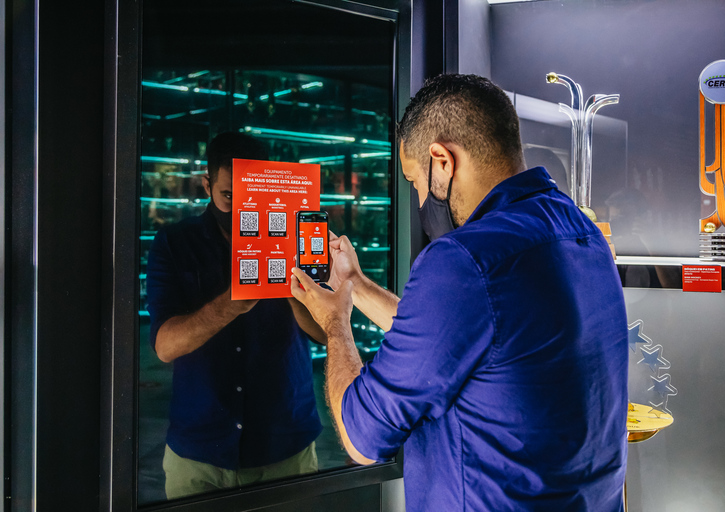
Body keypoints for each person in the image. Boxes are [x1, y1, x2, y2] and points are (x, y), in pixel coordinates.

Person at [290, 74, 629, 511]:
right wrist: (354, 285)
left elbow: (362, 436)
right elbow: (464, 340)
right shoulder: (581, 232)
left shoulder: (464, 259)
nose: (418, 201)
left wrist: (334, 322)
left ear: (442, 160)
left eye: (415, 181)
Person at [146, 132, 325, 500]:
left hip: (284, 444)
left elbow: (326, 333)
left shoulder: (301, 232)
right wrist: (231, 302)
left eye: (252, 196)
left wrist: (294, 287)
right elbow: (165, 346)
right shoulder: (175, 243)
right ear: (206, 184)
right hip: (199, 451)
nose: (242, 207)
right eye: (230, 195)